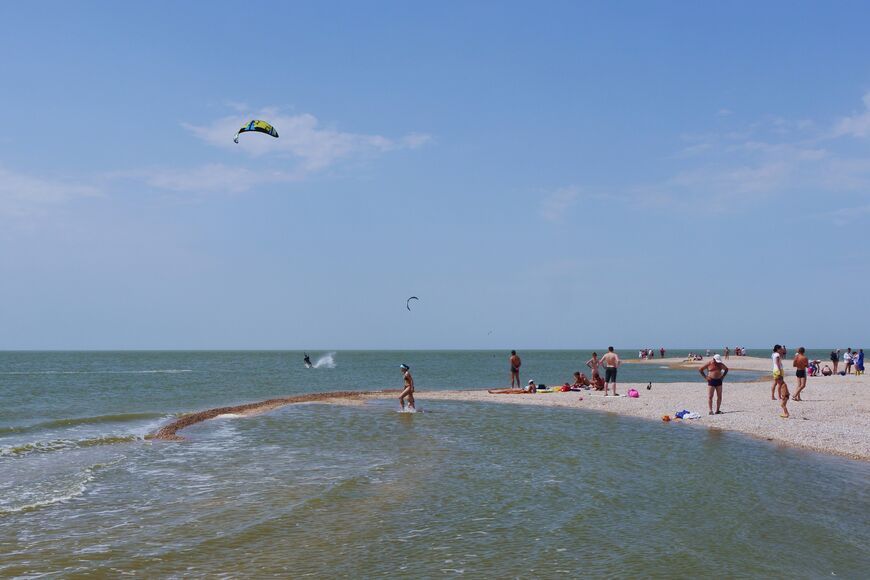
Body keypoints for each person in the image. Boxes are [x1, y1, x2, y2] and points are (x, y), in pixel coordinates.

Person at [771, 345, 789, 418]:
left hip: (775, 370)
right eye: (780, 349)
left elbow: (784, 354)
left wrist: (783, 350)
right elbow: (778, 363)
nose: (782, 350)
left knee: (778, 384)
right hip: (778, 370)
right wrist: (779, 371)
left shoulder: (774, 354)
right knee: (781, 385)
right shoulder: (777, 354)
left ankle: (778, 396)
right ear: (778, 349)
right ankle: (783, 398)